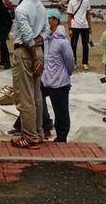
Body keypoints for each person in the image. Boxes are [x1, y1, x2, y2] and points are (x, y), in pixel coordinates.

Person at [9, 0, 50, 149]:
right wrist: (37, 44)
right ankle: (38, 132)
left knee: (24, 97)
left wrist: (34, 58)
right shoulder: (39, 6)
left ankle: (30, 136)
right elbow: (47, 30)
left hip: (26, 54)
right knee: (36, 96)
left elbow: (26, 37)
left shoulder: (21, 9)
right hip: (38, 51)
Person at [39, 9, 75, 141]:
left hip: (60, 82)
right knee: (36, 99)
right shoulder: (46, 39)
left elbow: (70, 61)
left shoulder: (62, 42)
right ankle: (45, 126)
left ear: (55, 21)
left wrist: (66, 74)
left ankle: (61, 137)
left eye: (48, 19)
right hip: (46, 79)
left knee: (61, 112)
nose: (46, 21)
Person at [66, 0, 93, 70]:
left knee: (85, 45)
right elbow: (69, 16)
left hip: (84, 26)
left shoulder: (86, 1)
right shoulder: (71, 2)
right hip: (75, 26)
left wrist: (90, 27)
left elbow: (88, 14)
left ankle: (85, 62)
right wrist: (69, 28)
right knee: (73, 45)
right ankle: (74, 62)